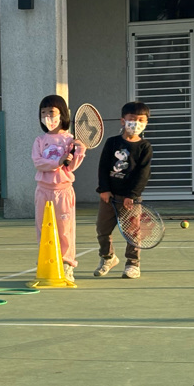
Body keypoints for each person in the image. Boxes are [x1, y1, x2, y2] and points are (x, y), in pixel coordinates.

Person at [94, 101, 153, 279]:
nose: (136, 123)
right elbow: (103, 167)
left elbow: (143, 174)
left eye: (141, 120)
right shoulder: (112, 142)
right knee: (102, 230)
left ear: (146, 123)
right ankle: (107, 258)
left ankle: (133, 264)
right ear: (123, 121)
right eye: (132, 119)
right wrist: (104, 189)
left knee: (133, 233)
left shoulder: (145, 147)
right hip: (109, 197)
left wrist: (131, 195)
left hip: (130, 200)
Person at [32, 94, 86, 283]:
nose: (48, 116)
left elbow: (71, 167)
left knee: (65, 230)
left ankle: (66, 265)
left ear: (62, 114)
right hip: (42, 191)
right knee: (43, 229)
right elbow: (38, 162)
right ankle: (45, 263)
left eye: (51, 112)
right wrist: (57, 161)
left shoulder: (69, 141)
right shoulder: (40, 140)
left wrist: (79, 151)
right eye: (43, 113)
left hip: (63, 192)